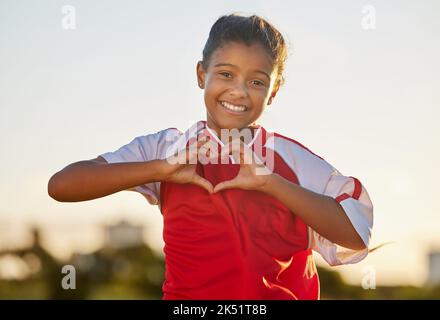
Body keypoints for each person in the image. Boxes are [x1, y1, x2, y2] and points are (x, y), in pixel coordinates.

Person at [48, 13, 373, 300]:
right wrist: (161, 169)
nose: (239, 90)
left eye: (257, 81)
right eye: (226, 74)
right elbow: (62, 186)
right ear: (202, 74)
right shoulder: (167, 149)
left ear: (272, 92)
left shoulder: (291, 160)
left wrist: (270, 184)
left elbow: (355, 236)